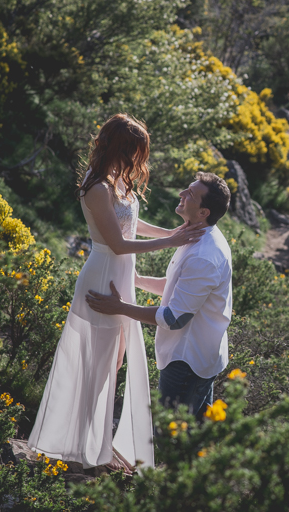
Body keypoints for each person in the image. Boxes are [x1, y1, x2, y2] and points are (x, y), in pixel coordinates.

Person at [28, 114, 205, 472]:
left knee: (114, 362)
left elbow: (132, 223)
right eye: (135, 152)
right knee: (97, 365)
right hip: (103, 278)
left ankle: (93, 446)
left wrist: (172, 229)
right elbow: (119, 243)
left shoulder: (117, 183)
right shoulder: (97, 188)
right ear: (121, 148)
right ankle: (81, 452)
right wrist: (171, 241)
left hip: (119, 280)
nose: (138, 161)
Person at [86, 171, 233, 420]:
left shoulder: (203, 255)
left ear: (203, 212)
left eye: (191, 194)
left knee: (171, 437)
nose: (181, 194)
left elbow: (174, 318)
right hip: (194, 355)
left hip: (188, 361)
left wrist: (119, 307)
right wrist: (137, 280)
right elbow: (177, 287)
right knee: (192, 438)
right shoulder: (195, 236)